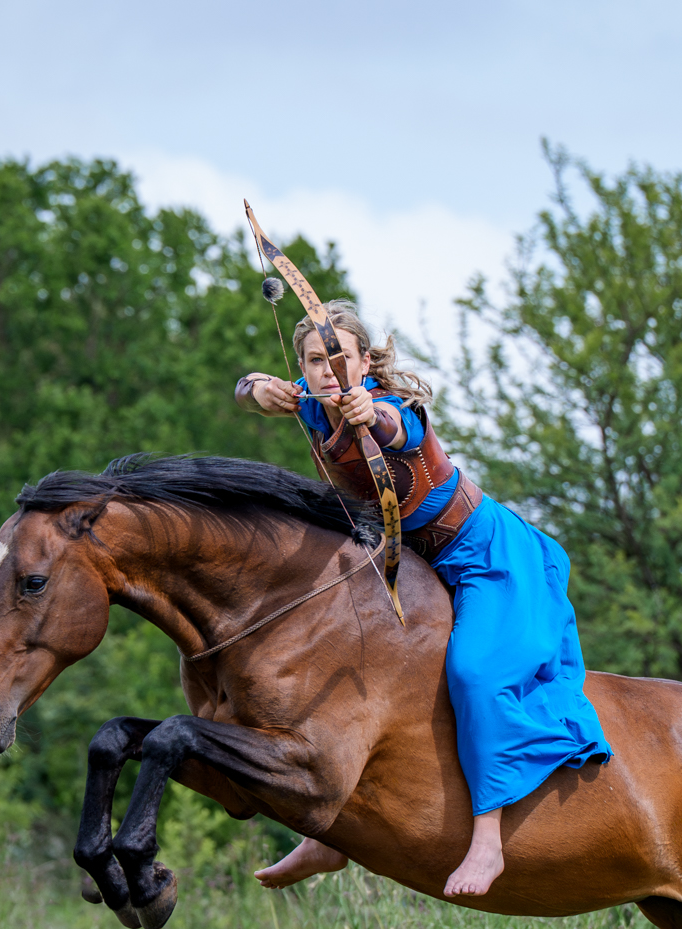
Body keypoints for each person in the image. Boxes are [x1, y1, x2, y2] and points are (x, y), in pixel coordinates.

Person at [234, 300, 611, 898]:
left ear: (364, 362)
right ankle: (329, 833)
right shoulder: (312, 405)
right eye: (313, 361)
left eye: (339, 359)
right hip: (414, 566)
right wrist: (256, 388)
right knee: (349, 658)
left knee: (475, 673)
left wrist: (368, 413)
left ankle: (488, 839)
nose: (327, 371)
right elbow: (249, 385)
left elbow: (394, 427)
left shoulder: (390, 408)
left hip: (485, 556)